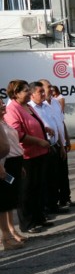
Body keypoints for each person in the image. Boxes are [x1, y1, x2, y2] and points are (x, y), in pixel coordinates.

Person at [4, 80, 53, 234]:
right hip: (27, 155)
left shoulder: (28, 106)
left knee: (38, 187)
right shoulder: (12, 108)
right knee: (27, 190)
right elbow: (16, 133)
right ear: (16, 93)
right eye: (25, 90)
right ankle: (27, 223)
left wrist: (44, 128)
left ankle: (39, 217)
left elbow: (34, 123)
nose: (28, 93)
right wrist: (39, 140)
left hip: (39, 153)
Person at [28, 81, 69, 217]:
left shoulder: (46, 106)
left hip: (54, 146)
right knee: (43, 181)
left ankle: (53, 205)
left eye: (44, 91)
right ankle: (44, 209)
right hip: (41, 148)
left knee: (53, 179)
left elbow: (57, 125)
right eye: (41, 91)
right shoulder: (30, 109)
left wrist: (61, 145)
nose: (45, 93)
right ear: (32, 94)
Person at [41, 79, 75, 209]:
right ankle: (53, 203)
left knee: (63, 173)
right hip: (50, 146)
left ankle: (65, 198)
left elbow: (61, 123)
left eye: (51, 87)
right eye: (48, 87)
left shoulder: (56, 103)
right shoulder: (40, 106)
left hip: (60, 142)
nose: (51, 89)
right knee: (53, 176)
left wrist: (66, 140)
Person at [0, 98, 27, 249]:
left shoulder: (4, 123)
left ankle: (11, 231)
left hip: (12, 164)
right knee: (3, 202)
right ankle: (6, 237)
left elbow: (13, 145)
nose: (3, 105)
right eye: (0, 104)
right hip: (4, 165)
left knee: (9, 200)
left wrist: (20, 165)